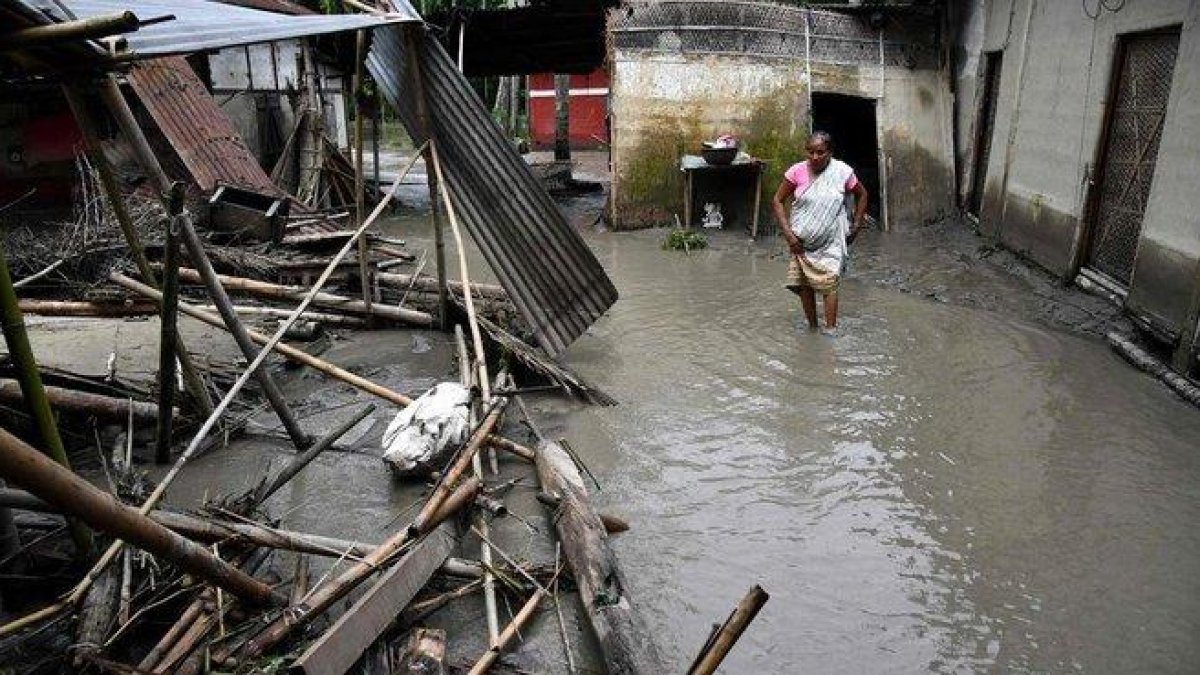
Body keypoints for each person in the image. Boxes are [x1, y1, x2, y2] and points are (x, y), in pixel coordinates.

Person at [771, 131, 869, 332]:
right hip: (801, 242)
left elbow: (862, 194)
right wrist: (789, 236)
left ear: (830, 152)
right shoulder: (796, 172)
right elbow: (777, 201)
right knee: (805, 284)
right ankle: (813, 328)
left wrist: (857, 225)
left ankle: (831, 331)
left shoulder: (842, 172)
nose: (814, 157)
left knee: (829, 283)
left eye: (820, 152)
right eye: (810, 152)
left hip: (831, 240)